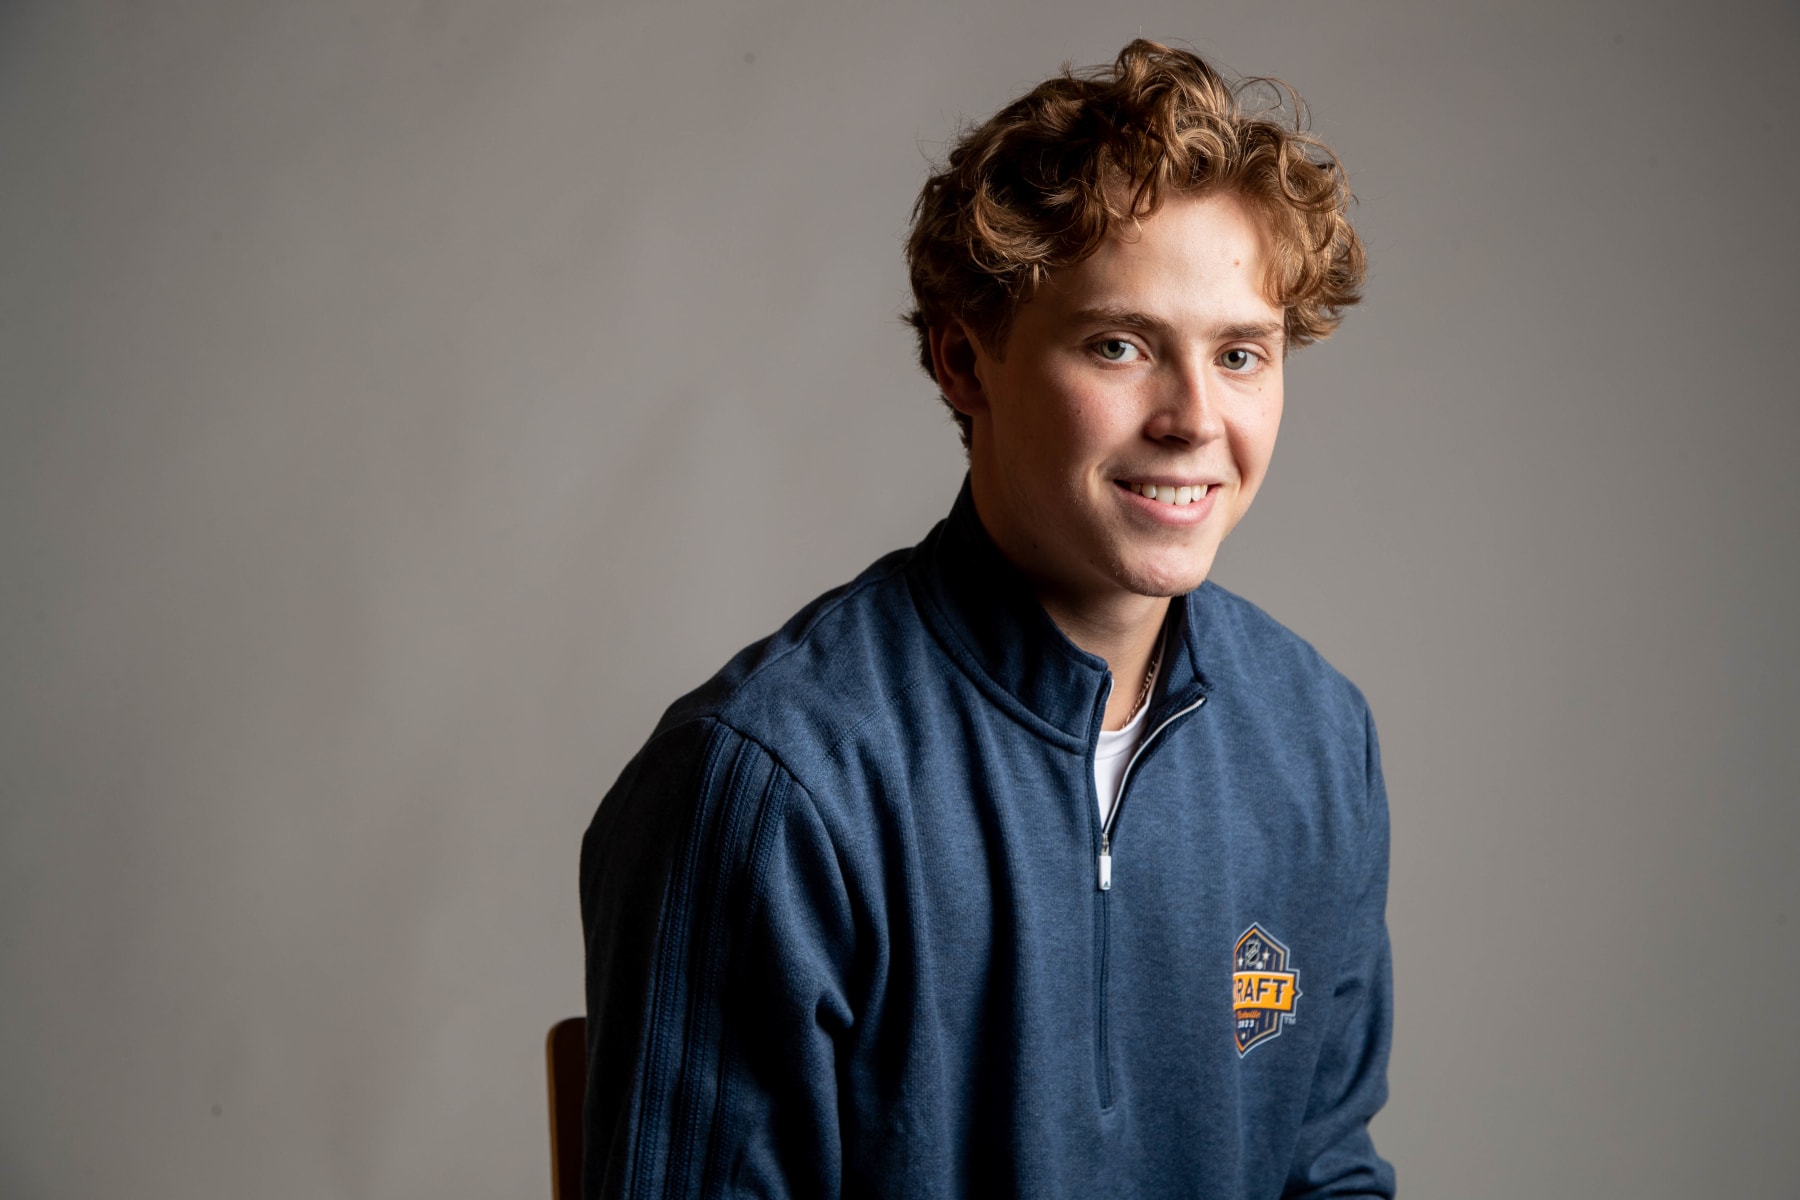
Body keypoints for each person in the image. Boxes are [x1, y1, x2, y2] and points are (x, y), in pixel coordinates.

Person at [580, 38, 1393, 1198]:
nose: (1194, 418)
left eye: (1241, 354)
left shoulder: (1316, 741)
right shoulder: (774, 786)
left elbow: (1325, 1169)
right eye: (1120, 345)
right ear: (966, 358)